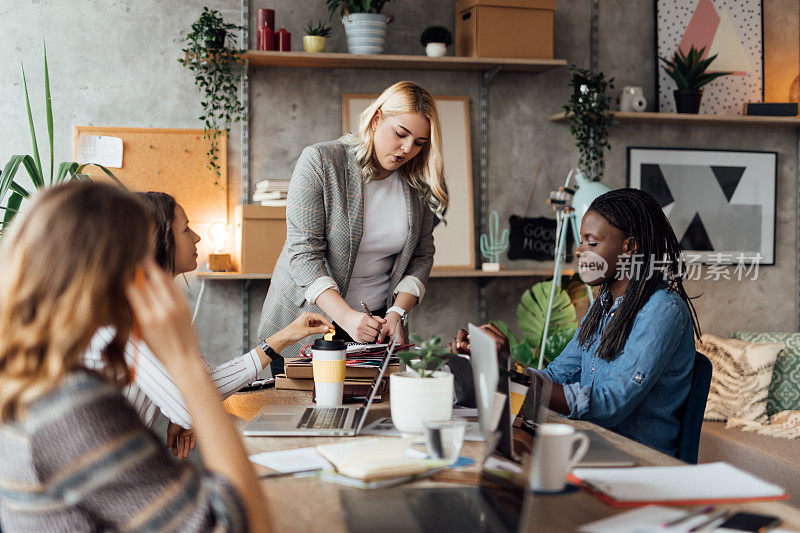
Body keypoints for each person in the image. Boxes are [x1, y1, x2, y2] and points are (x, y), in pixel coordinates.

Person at [0, 182, 269, 532]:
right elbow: (242, 525)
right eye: (141, 258)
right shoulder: (70, 407)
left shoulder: (31, 378)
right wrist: (186, 366)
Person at [83, 191, 333, 459]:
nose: (197, 237)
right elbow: (192, 407)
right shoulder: (125, 313)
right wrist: (187, 410)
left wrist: (285, 336)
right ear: (157, 241)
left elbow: (205, 385)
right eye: (185, 229)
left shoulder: (148, 307)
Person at [453, 188, 701, 456]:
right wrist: (500, 366)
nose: (579, 251)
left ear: (629, 246)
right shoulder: (603, 304)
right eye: (581, 241)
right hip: (590, 443)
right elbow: (557, 375)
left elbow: (610, 405)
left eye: (591, 243)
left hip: (634, 458)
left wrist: (509, 373)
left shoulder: (662, 310)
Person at [257, 81, 449, 372]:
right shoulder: (321, 162)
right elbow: (303, 254)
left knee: (371, 412)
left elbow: (422, 256)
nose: (408, 148)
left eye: (420, 142)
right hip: (307, 323)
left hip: (378, 328)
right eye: (400, 134)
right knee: (302, 413)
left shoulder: (417, 181)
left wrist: (398, 312)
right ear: (376, 120)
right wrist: (346, 317)